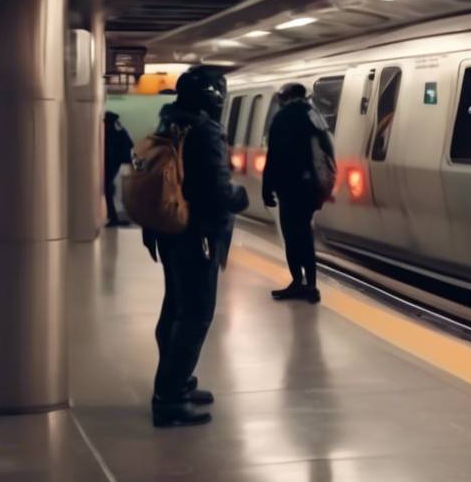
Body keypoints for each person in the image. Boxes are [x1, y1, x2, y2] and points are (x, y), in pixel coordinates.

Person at [141, 67, 248, 428]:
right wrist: (239, 196)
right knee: (196, 314)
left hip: (171, 230)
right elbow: (217, 192)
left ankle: (176, 383)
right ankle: (170, 400)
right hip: (197, 234)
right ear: (213, 96)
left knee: (175, 307)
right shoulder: (205, 130)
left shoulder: (170, 120)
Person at [262, 82, 334, 303]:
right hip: (312, 187)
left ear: (286, 97)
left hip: (290, 187)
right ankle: (310, 284)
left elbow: (274, 157)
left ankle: (297, 282)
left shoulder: (283, 119)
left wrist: (267, 188)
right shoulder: (315, 116)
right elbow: (328, 151)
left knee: (292, 235)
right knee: (305, 234)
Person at [103, 111, 134, 226]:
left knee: (108, 189)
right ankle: (113, 217)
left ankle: (113, 218)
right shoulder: (120, 131)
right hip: (115, 163)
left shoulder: (112, 133)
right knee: (109, 189)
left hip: (111, 163)